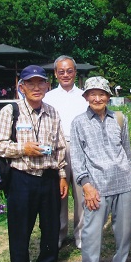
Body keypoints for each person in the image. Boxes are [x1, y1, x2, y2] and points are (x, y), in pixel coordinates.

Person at [0, 65, 68, 262]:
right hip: (22, 178)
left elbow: (60, 147)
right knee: (20, 229)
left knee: (51, 227)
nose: (36, 87)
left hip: (49, 177)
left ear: (47, 86)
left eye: (40, 83)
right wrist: (23, 149)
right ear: (21, 87)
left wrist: (62, 175)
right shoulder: (10, 111)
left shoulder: (52, 112)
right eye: (30, 83)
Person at [70, 76, 131, 262]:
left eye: (102, 94)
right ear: (86, 97)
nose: (97, 98)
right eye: (92, 94)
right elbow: (77, 158)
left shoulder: (119, 118)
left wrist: (126, 170)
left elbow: (127, 149)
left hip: (123, 183)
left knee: (124, 232)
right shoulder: (79, 122)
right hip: (96, 186)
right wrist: (86, 184)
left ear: (108, 96)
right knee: (91, 233)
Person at [43, 55, 89, 249]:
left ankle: (81, 235)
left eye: (69, 71)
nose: (65, 75)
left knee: (81, 194)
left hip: (80, 147)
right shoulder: (48, 97)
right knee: (59, 193)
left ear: (75, 72)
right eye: (61, 71)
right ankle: (60, 233)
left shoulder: (84, 95)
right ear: (55, 73)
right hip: (57, 148)